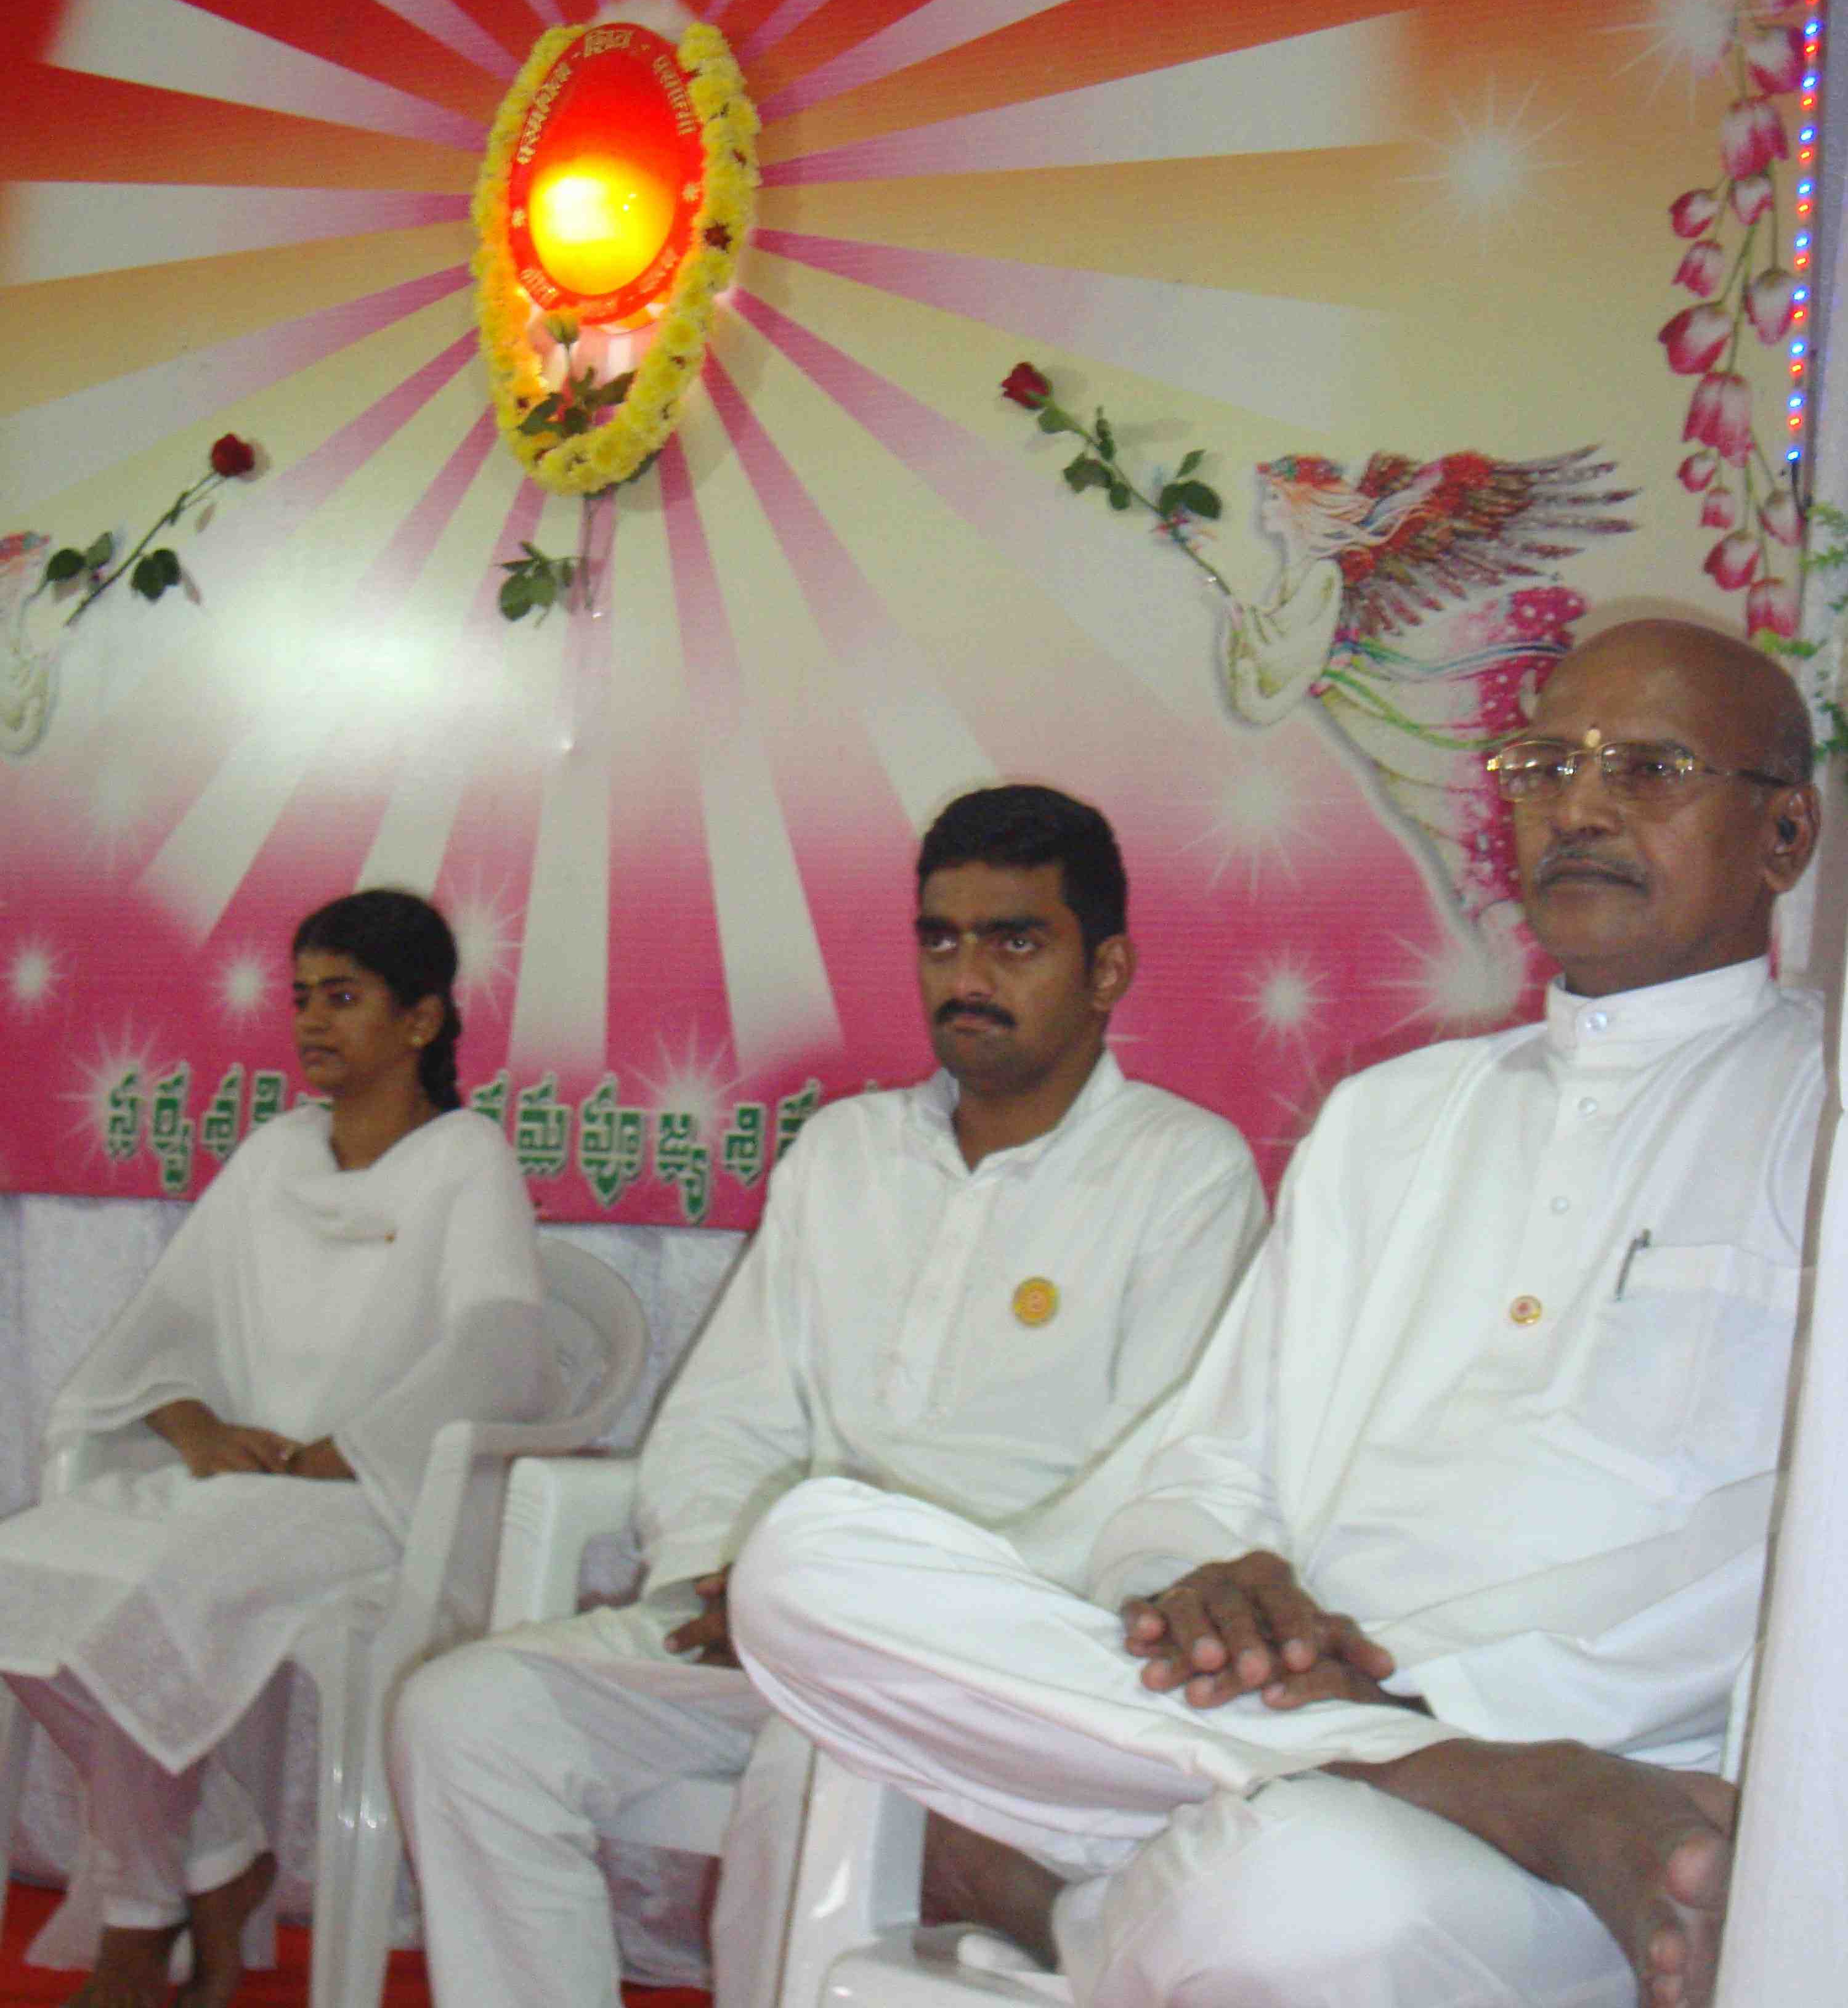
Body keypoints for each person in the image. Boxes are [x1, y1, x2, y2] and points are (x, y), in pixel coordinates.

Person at [729, 619, 1824, 2008]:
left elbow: (1795, 1574)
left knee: (1292, 1895)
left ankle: (1096, 1891)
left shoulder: (1826, 1117)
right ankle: (1440, 1785)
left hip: (1616, 1790)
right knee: (806, 1560)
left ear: (1784, 834)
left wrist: (1445, 1708)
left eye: (1651, 769)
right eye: (1548, 766)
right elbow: (1209, 1463)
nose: (1583, 807)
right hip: (1318, 1720)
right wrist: (1212, 1566)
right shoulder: (1390, 1118)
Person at [391, 784, 1267, 2008]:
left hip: (993, 1662)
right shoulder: (846, 1150)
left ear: (1106, 968)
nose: (968, 974)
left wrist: (863, 1610)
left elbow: (1159, 1486)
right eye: (941, 939)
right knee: (463, 1715)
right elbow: (729, 1414)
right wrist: (728, 1570)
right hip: (769, 1622)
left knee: (815, 1770)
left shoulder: (1183, 1172)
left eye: (1016, 940)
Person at [0, 889, 548, 2008]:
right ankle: (222, 1854)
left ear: (421, 1019)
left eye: (343, 997)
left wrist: (359, 1447)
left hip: (375, 1502)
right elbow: (168, 1322)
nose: (310, 1022)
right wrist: (195, 1425)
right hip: (242, 1487)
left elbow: (500, 1347)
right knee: (21, 1581)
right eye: (301, 998)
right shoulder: (275, 1153)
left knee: (155, 1597)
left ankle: (140, 1926)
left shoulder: (468, 1157)